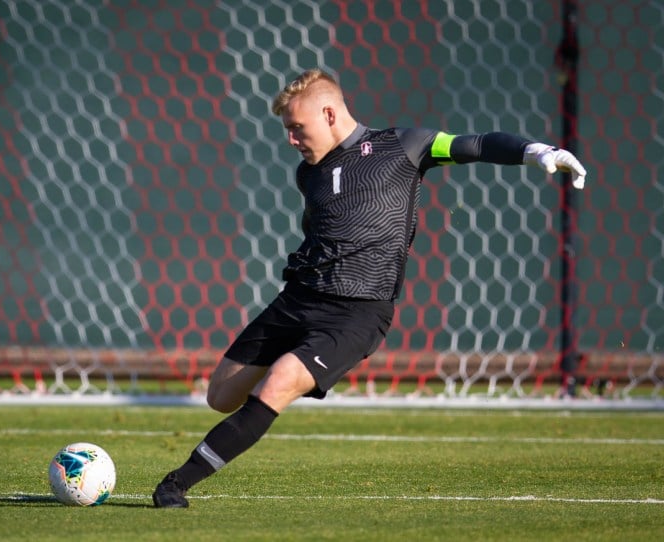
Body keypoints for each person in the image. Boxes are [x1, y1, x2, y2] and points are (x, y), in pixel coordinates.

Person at [152, 68, 587, 508]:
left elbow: (474, 144)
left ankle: (175, 485)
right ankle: (256, 402)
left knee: (281, 380)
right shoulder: (310, 174)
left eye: (296, 128)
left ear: (328, 113)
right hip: (300, 298)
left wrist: (535, 152)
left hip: (357, 313)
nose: (291, 139)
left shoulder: (405, 145)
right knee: (220, 395)